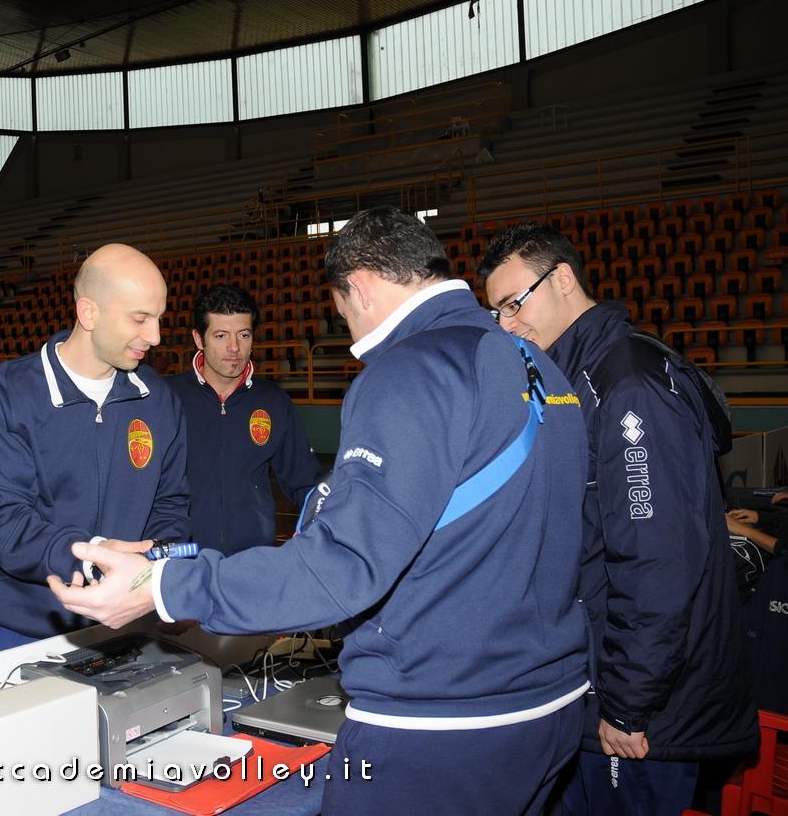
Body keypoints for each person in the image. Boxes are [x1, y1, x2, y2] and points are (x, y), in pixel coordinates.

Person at [50, 208, 591, 813]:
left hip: (441, 721)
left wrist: (165, 584)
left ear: (357, 286)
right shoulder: (538, 365)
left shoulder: (411, 369)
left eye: (342, 311)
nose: (350, 332)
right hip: (551, 701)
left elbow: (344, 564)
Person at [477, 222, 758, 814]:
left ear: (564, 280)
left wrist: (628, 701)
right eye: (495, 312)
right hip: (603, 688)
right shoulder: (573, 380)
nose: (505, 325)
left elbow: (658, 562)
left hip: (641, 715)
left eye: (511, 304)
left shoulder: (626, 384)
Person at [0, 243, 189, 656]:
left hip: (129, 626)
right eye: (140, 319)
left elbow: (171, 504)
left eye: (159, 319)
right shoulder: (5, 393)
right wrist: (90, 558)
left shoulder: (159, 399)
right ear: (89, 313)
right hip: (22, 628)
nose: (155, 337)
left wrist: (150, 568)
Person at [167, 284, 324, 554]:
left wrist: (321, 524)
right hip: (181, 560)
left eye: (243, 334)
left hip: (252, 558)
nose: (234, 348)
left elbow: (304, 480)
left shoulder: (274, 402)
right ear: (198, 339)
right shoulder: (168, 398)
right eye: (220, 335)